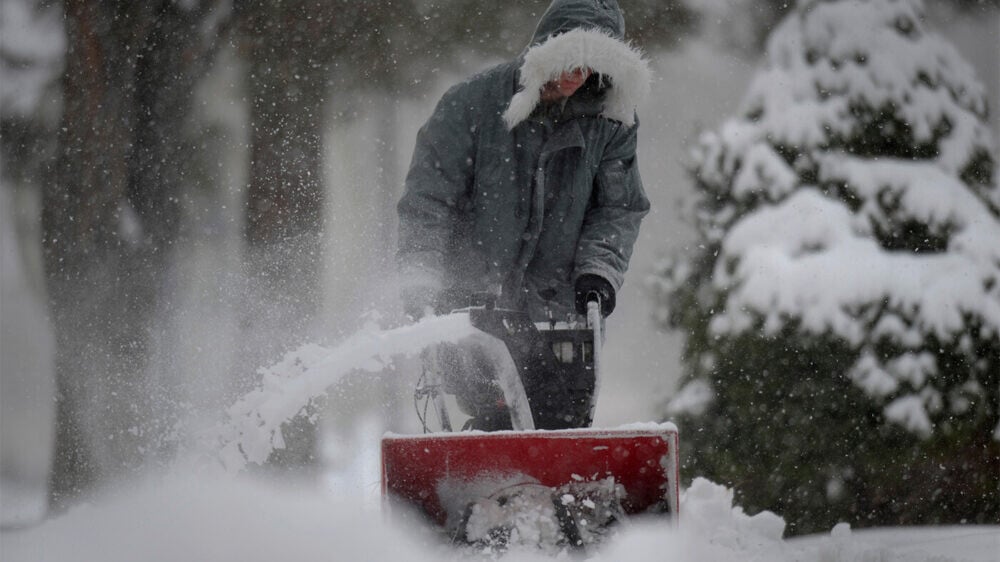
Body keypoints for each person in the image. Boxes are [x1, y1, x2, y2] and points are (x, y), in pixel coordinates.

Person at [397, 0, 650, 429]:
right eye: (570, 60)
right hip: (472, 302)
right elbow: (428, 202)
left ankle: (548, 493)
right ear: (544, 52)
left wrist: (598, 272)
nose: (577, 75)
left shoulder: (610, 124)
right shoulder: (469, 107)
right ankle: (490, 487)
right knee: (494, 415)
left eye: (591, 66)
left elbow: (617, 207)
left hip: (559, 307)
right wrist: (422, 277)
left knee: (562, 420)